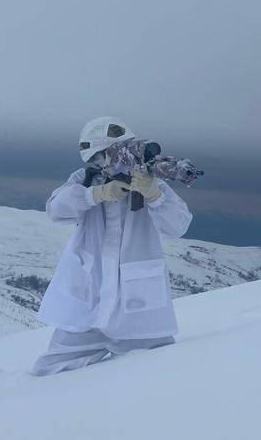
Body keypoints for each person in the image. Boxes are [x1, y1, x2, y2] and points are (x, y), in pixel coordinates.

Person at [32, 117, 193, 376]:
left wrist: (154, 195)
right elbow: (56, 209)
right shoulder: (86, 178)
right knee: (50, 374)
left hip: (137, 312)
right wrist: (94, 194)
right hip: (87, 309)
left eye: (103, 156)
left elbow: (179, 226)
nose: (100, 164)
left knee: (155, 377)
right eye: (95, 159)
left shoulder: (151, 182)